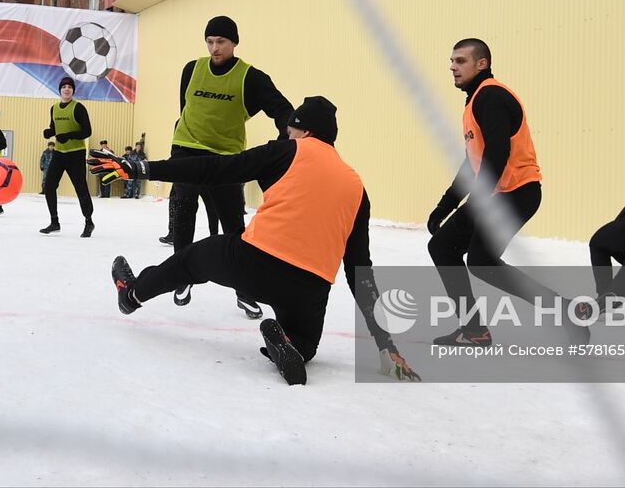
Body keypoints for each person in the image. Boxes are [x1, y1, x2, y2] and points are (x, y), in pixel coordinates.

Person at [99, 96, 420, 386]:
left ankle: (132, 295)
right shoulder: (356, 187)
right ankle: (288, 342)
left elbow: (214, 168)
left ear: (303, 131)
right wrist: (385, 344)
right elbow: (359, 269)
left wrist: (143, 168)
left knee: (191, 260)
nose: (288, 135)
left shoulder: (288, 151)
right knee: (306, 344)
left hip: (254, 262)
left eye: (292, 130)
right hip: (310, 289)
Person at [426, 38, 564, 347]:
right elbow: (472, 161)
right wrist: (445, 205)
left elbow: (498, 153)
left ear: (482, 63)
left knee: (478, 261)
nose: (452, 66)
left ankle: (559, 311)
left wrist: (476, 202)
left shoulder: (491, 96)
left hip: (516, 191)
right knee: (446, 248)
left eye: (460, 60)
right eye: (451, 61)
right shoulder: (475, 101)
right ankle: (476, 329)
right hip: (499, 194)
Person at [166, 15, 293, 318]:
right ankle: (182, 276)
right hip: (187, 148)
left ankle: (245, 291)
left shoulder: (250, 77)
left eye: (221, 42)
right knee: (183, 208)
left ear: (234, 43)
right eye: (210, 42)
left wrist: (282, 144)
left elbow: (283, 109)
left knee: (235, 227)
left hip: (225, 157)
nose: (214, 48)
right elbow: (187, 109)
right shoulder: (192, 69)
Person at [41, 77, 95, 237]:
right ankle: (54, 222)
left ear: (73, 90)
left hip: (76, 154)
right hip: (59, 153)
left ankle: (88, 221)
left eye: (69, 87)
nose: (66, 89)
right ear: (60, 90)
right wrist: (49, 132)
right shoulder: (54, 108)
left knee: (81, 188)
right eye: (64, 87)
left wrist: (69, 136)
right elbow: (54, 127)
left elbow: (87, 131)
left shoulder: (78, 108)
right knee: (49, 186)